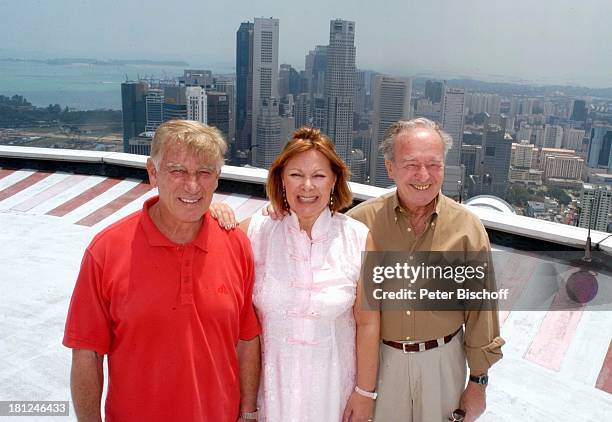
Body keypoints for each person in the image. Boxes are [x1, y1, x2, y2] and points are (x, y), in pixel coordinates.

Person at [63, 120, 261, 421]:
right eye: (177, 170)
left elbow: (246, 339)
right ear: (153, 173)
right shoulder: (105, 251)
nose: (192, 185)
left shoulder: (237, 245)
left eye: (204, 172)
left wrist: (248, 414)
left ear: (217, 178)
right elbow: (87, 354)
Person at [211, 127, 380, 422]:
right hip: (269, 395)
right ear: (280, 179)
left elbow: (369, 323)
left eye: (318, 176)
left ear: (334, 180)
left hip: (334, 394)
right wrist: (215, 212)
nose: (307, 186)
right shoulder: (254, 233)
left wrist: (365, 394)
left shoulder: (359, 238)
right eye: (296, 175)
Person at [347, 118, 505, 422]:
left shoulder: (466, 229)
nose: (424, 175)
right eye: (411, 164)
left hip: (443, 363)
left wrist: (479, 383)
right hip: (377, 363)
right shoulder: (359, 223)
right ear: (390, 167)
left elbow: (480, 313)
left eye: (434, 164)